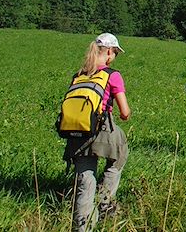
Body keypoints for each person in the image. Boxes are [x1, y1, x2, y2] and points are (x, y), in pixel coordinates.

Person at [64, 33, 131, 232]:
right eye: (116, 53)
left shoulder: (79, 74)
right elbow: (125, 112)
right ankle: (105, 202)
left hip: (76, 131)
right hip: (102, 129)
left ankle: (82, 227)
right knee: (119, 155)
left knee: (85, 179)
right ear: (109, 52)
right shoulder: (112, 75)